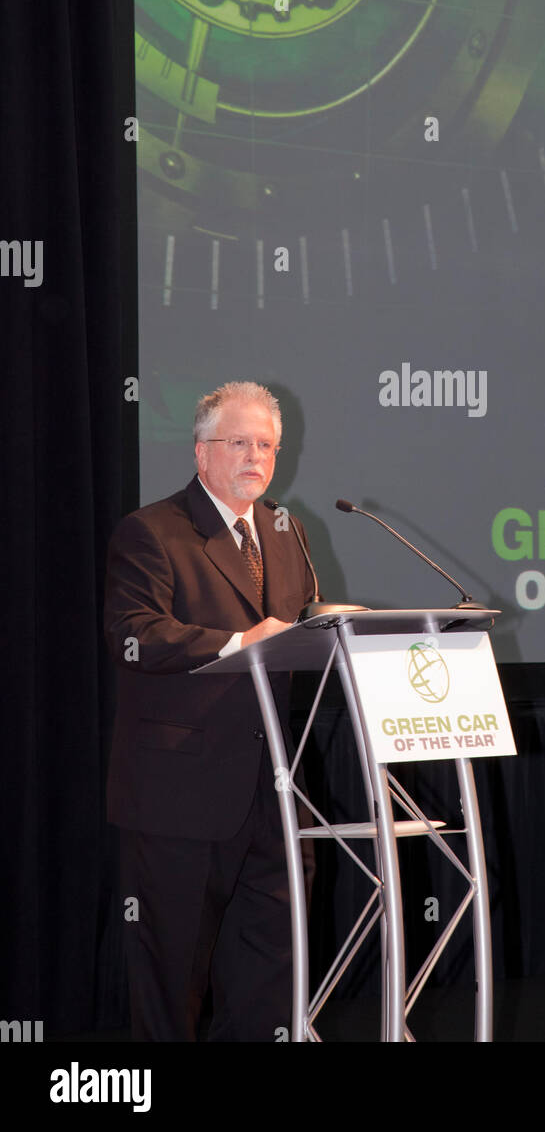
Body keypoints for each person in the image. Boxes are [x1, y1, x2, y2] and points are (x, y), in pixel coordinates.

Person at [104, 380, 315, 1041]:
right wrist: (235, 642)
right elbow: (133, 634)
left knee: (269, 977)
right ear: (202, 454)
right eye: (240, 443)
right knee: (171, 983)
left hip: (275, 794)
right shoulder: (152, 533)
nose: (256, 457)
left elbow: (301, 629)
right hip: (180, 798)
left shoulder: (286, 531)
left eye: (268, 446)